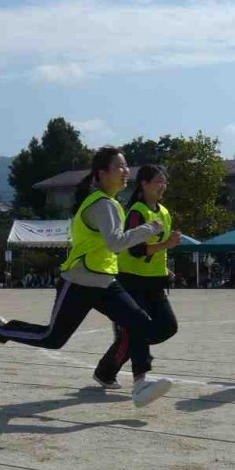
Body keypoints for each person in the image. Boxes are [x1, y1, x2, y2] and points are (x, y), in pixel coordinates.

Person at [0, 147, 174, 408]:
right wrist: (149, 228)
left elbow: (109, 248)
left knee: (139, 322)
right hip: (79, 281)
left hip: (105, 281)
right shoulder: (102, 204)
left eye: (126, 166)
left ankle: (140, 384)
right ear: (102, 173)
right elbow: (116, 243)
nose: (126, 171)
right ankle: (0, 329)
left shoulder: (112, 203)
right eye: (120, 166)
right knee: (53, 339)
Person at [93, 164, 182, 390]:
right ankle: (137, 377)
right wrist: (167, 244)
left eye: (165, 182)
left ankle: (111, 363)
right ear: (144, 184)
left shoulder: (164, 212)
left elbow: (158, 251)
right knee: (139, 329)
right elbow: (135, 249)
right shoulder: (136, 211)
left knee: (168, 326)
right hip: (132, 280)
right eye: (158, 181)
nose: (163, 186)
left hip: (154, 281)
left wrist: (165, 269)